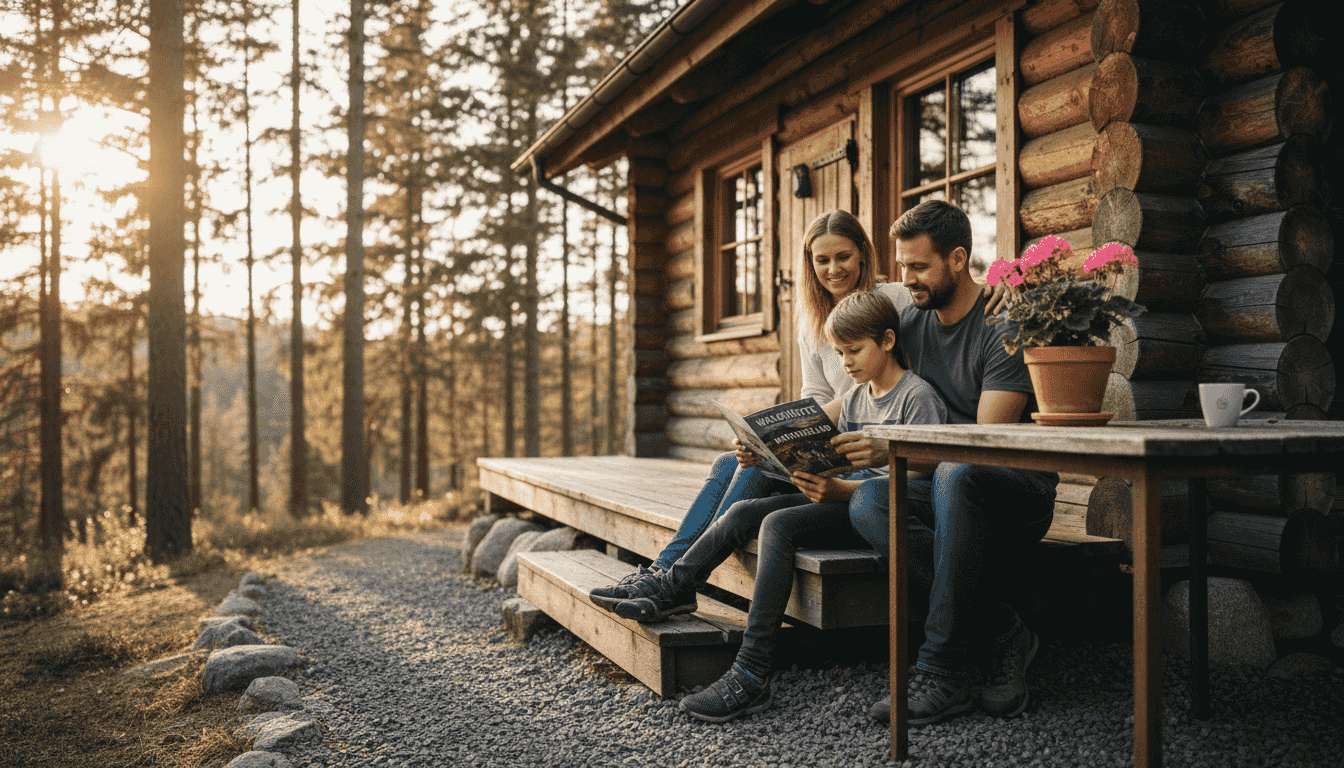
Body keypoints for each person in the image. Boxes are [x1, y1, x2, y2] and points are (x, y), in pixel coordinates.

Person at [585, 210, 1006, 609]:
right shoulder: (813, 320)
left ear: (863, 253)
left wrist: (1005, 281)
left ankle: (673, 582)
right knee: (732, 463)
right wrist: (778, 436)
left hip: (873, 446)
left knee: (749, 478)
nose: (834, 269)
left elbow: (951, 284)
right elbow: (817, 395)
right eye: (822, 260)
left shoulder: (895, 297)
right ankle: (664, 571)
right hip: (833, 439)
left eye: (843, 256)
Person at [595, 290, 948, 723]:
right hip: (839, 496)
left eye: (854, 351)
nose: (846, 363)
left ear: (888, 340)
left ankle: (750, 671)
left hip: (873, 509)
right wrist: (759, 453)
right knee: (743, 512)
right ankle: (675, 585)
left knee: (777, 526)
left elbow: (927, 473)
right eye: (838, 353)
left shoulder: (916, 396)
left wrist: (841, 489)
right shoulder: (857, 397)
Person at [837, 199, 1059, 727]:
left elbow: (986, 446)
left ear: (958, 260)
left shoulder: (1001, 326)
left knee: (957, 473)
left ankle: (944, 671)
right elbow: (862, 376)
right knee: (870, 498)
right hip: (941, 480)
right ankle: (1005, 631)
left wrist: (893, 449)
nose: (906, 279)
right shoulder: (911, 321)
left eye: (918, 267)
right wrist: (784, 426)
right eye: (903, 266)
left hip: (1012, 490)